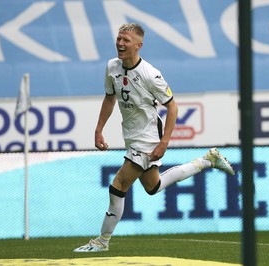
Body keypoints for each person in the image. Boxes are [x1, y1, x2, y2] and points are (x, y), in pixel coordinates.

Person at [73, 23, 235, 252]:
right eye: (119, 39)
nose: (120, 43)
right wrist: (99, 129)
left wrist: (164, 142)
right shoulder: (112, 67)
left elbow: (173, 107)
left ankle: (102, 241)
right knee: (153, 186)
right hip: (131, 136)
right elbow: (110, 98)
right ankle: (208, 160)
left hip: (147, 137)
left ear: (138, 45)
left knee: (118, 185)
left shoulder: (151, 74)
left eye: (126, 41)